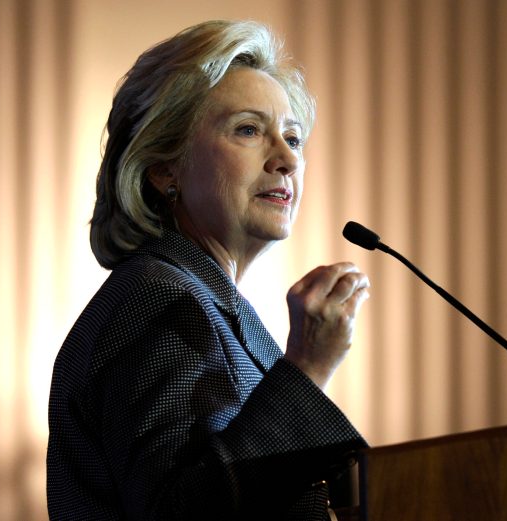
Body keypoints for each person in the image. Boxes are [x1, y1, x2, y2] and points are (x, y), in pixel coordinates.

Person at [47, 20, 370, 521]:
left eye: (292, 137)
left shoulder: (199, 299)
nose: (286, 159)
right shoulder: (157, 299)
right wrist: (308, 368)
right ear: (164, 167)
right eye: (248, 129)